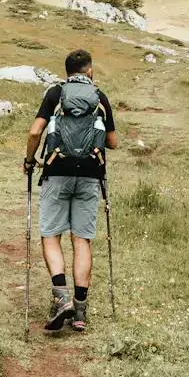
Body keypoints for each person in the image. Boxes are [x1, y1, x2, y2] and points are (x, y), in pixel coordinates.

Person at [23, 47, 117, 333]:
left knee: (51, 235)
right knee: (82, 240)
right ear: (89, 70)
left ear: (67, 72)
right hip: (90, 175)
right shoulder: (99, 97)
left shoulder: (55, 94)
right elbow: (112, 142)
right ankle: (80, 312)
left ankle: (60, 296)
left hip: (56, 171)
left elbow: (35, 131)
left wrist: (30, 160)